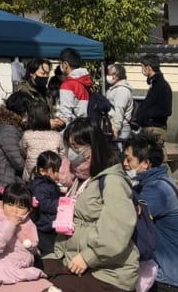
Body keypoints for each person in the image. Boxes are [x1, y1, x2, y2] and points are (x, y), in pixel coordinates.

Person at [41, 118, 139, 292]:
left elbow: (116, 231)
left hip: (108, 272)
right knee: (28, 273)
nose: (71, 153)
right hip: (72, 258)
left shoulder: (113, 181)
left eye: (76, 148)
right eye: (69, 147)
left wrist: (88, 257)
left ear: (93, 148)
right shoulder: (82, 179)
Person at [124, 132, 178, 292]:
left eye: (129, 159)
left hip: (169, 278)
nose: (125, 164)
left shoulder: (157, 189)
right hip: (163, 275)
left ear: (145, 163)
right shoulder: (149, 183)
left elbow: (131, 218)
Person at [0, 181, 53, 292]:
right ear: (2, 203)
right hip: (1, 275)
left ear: (28, 210)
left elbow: (29, 245)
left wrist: (34, 251)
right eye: (10, 204)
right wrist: (9, 224)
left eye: (20, 207)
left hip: (24, 273)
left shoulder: (26, 224)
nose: (14, 210)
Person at [0, 92, 32, 197]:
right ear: (23, 110)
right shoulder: (8, 130)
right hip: (3, 183)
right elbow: (18, 162)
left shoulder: (3, 124)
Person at [20, 101, 65, 182]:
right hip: (51, 175)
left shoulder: (26, 135)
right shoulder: (57, 136)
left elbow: (22, 151)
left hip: (31, 176)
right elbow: (62, 155)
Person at [28, 150, 62, 255]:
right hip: (43, 225)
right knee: (50, 251)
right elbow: (44, 204)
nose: (59, 174)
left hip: (46, 224)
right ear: (43, 171)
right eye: (56, 170)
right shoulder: (41, 186)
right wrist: (61, 203)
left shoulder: (47, 184)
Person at [132, 55, 172, 144]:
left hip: (155, 130)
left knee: (156, 156)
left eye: (142, 67)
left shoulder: (161, 86)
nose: (142, 70)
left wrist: (147, 115)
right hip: (148, 128)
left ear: (149, 68)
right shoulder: (154, 84)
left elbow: (166, 110)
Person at [55, 48, 91, 127]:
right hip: (86, 126)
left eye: (60, 63)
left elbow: (66, 115)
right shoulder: (86, 81)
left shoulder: (67, 85)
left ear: (65, 64)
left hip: (74, 129)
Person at [104, 64, 135, 144]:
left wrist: (116, 128)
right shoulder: (116, 88)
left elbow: (119, 109)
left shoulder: (121, 90)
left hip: (120, 129)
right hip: (116, 127)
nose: (108, 76)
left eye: (109, 74)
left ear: (116, 76)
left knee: (118, 153)